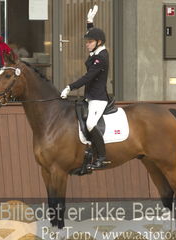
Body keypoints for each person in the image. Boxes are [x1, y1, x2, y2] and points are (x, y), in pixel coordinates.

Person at [60, 5, 110, 169]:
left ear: (99, 43)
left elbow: (88, 77)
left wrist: (69, 87)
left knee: (90, 124)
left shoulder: (101, 58)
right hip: (90, 96)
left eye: (90, 42)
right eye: (87, 42)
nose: (87, 44)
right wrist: (90, 22)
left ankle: (102, 157)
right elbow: (94, 35)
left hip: (98, 98)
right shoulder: (97, 51)